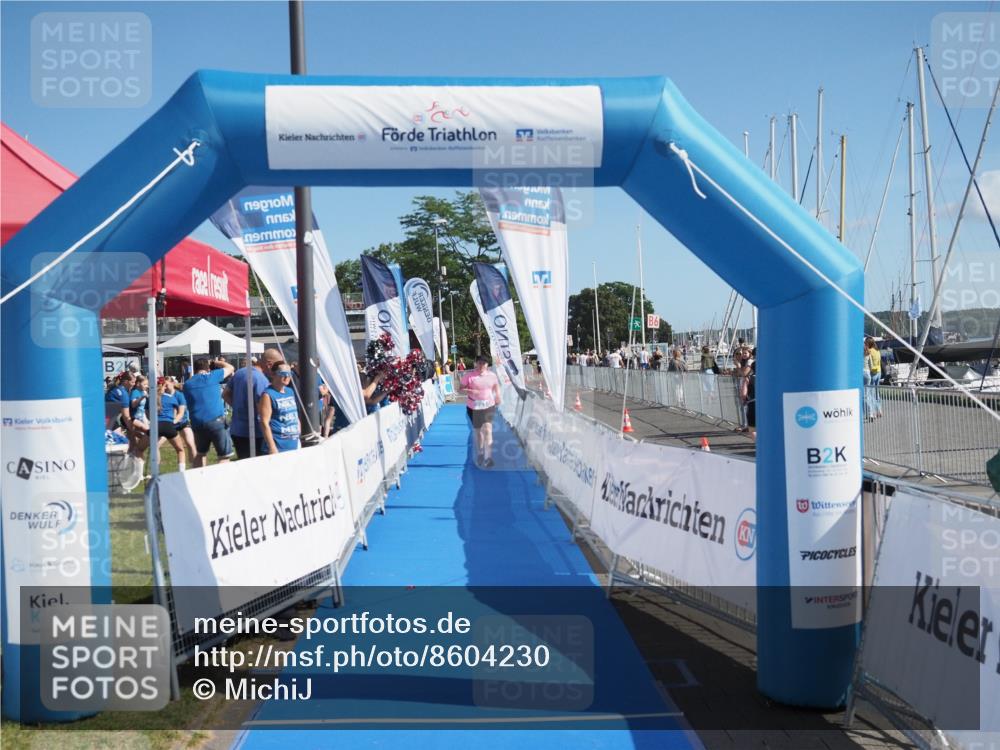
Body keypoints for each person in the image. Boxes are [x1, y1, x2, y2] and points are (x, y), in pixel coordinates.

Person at [227, 349, 280, 459]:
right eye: (277, 366)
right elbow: (261, 407)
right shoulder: (261, 379)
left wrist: (237, 407)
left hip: (237, 430)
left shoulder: (240, 372)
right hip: (254, 432)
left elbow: (225, 394)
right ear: (269, 364)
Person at [183, 356, 235, 468]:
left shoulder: (187, 384)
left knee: (200, 454)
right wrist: (215, 362)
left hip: (197, 423)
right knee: (224, 456)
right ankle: (222, 480)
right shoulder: (212, 376)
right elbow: (230, 367)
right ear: (208, 368)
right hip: (216, 421)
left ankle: (198, 479)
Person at [460, 355, 502, 467]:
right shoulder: (469, 376)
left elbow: (496, 386)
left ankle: (488, 457)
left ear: (487, 365)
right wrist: (470, 391)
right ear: (476, 363)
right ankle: (480, 453)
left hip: (488, 405)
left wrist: (498, 396)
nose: (481, 365)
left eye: (484, 363)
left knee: (488, 429)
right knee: (478, 431)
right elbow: (460, 389)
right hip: (473, 406)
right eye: (479, 363)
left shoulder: (492, 376)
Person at [259, 360, 301, 454]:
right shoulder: (268, 394)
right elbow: (264, 422)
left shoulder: (290, 391)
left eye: (289, 373)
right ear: (273, 375)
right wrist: (272, 447)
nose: (287, 377)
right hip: (278, 446)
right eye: (283, 373)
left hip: (293, 444)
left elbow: (295, 415)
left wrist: (298, 434)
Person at [155, 377, 187, 471]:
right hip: (169, 426)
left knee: (153, 447)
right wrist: (171, 423)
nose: (167, 387)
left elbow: (180, 414)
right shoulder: (170, 398)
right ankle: (182, 472)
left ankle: (155, 472)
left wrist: (173, 422)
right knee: (180, 449)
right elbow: (179, 412)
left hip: (169, 424)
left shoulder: (154, 396)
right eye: (166, 385)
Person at [168, 376, 197, 462]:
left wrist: (174, 420)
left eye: (166, 385)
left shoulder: (179, 395)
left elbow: (180, 413)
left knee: (190, 444)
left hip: (182, 422)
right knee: (156, 445)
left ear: (173, 384)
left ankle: (195, 468)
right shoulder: (162, 395)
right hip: (168, 424)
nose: (164, 387)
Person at [865, 337, 883, 418]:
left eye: (865, 343)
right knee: (876, 393)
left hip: (872, 373)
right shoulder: (877, 351)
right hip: (879, 372)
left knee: (871, 394)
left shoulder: (869, 351)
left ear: (868, 343)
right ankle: (879, 410)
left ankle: (873, 412)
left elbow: (869, 363)